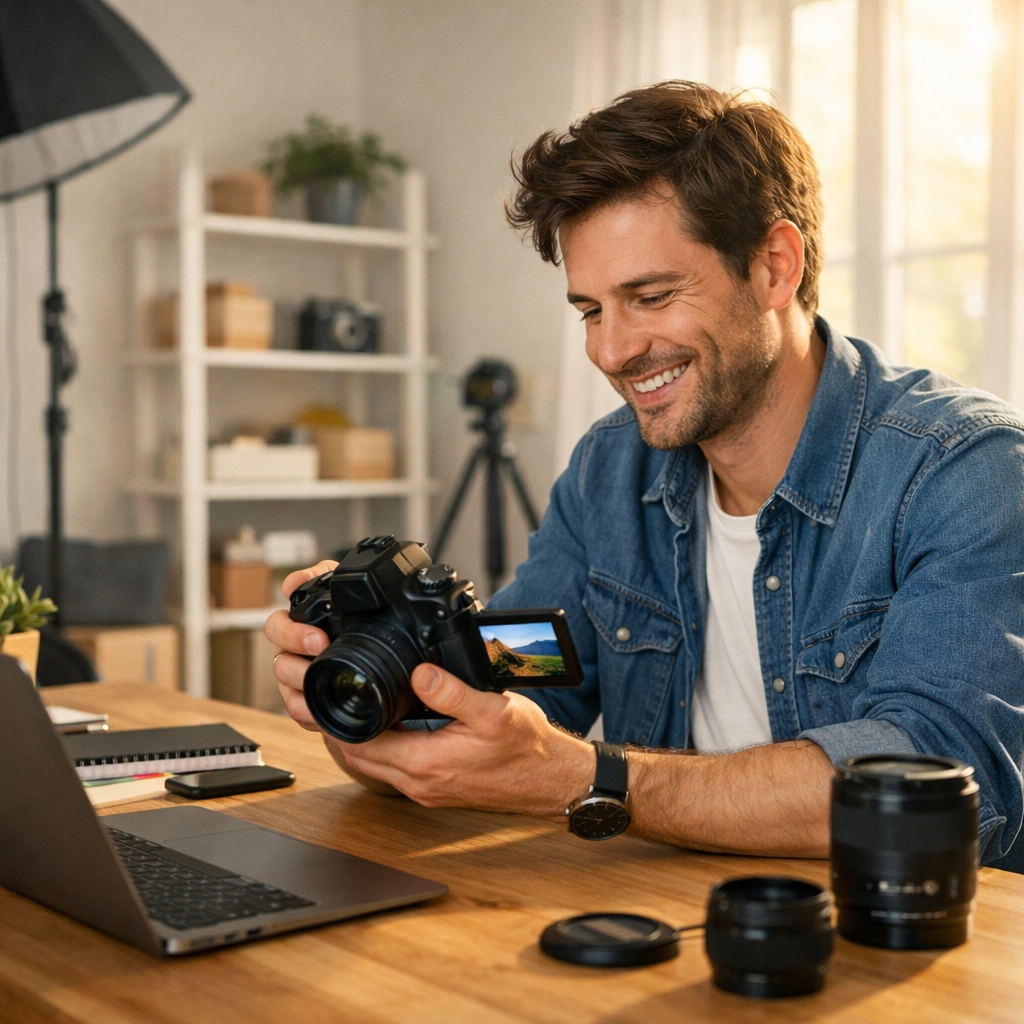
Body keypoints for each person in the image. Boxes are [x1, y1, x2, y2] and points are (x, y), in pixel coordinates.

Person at [267, 82, 1024, 868]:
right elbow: (518, 682)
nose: (611, 351)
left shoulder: (966, 471)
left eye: (651, 297)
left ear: (774, 267)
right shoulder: (610, 470)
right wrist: (379, 688)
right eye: (592, 310)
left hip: (915, 953)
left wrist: (593, 779)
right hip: (670, 924)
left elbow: (929, 787)